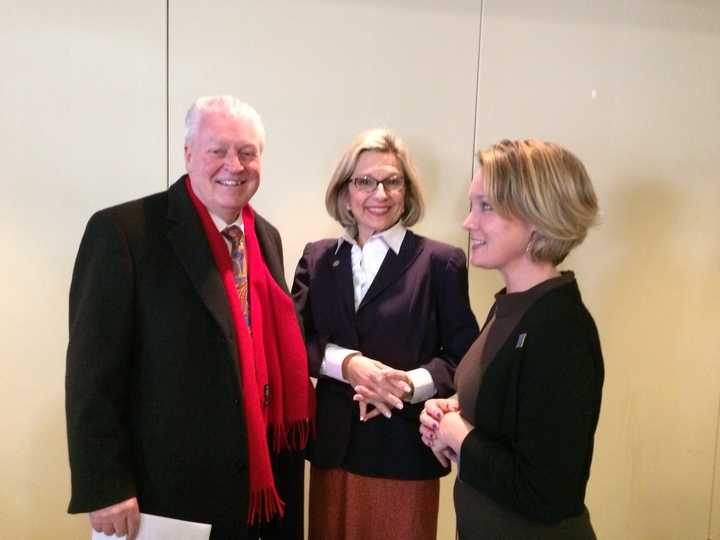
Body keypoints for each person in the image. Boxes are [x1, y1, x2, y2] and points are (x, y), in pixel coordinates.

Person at [65, 95, 314, 540]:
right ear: (188, 154)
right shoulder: (125, 233)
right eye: (217, 150)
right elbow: (91, 376)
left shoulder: (265, 237)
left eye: (247, 152)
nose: (233, 165)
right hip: (166, 497)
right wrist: (105, 485)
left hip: (260, 492)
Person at [292, 128, 479, 540]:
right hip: (332, 453)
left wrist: (405, 385)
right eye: (365, 181)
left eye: (392, 181)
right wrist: (348, 365)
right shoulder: (318, 258)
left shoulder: (440, 263)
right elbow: (294, 340)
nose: (380, 193)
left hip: (403, 454)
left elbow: (464, 355)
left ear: (407, 192)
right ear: (345, 193)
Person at [420, 139, 604, 539]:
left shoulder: (560, 328)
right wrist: (454, 409)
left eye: (486, 206)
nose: (469, 223)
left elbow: (547, 491)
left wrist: (460, 436)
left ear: (538, 215)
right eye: (473, 205)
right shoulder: (511, 306)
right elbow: (511, 410)